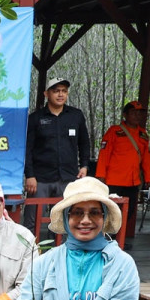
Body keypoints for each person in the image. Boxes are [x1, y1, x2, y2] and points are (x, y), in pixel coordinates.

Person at [23, 78, 90, 233]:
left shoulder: (76, 115)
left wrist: (84, 166)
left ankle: (60, 254)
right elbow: (27, 149)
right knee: (32, 221)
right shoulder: (35, 118)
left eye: (64, 91)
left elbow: (84, 143)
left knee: (64, 221)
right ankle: (29, 254)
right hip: (40, 179)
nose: (60, 94)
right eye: (56, 91)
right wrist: (29, 175)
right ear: (46, 94)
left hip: (67, 177)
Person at [95, 101, 150, 248]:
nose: (137, 116)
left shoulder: (143, 134)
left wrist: (149, 177)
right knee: (110, 211)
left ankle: (116, 241)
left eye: (140, 113)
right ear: (125, 114)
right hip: (114, 180)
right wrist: (100, 176)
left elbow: (146, 157)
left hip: (132, 181)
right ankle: (104, 240)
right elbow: (104, 153)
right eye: (134, 112)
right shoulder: (114, 131)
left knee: (129, 211)